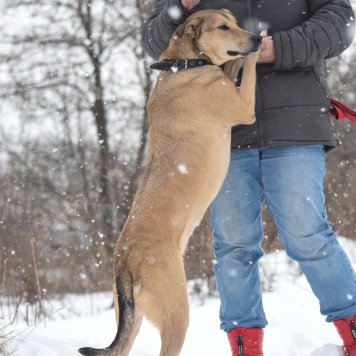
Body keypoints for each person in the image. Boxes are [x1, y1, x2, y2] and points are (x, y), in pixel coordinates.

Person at [142, 0, 356, 354]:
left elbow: (340, 20)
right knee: (234, 245)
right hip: (222, 134)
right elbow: (156, 43)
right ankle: (245, 345)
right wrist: (178, 7)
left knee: (307, 234)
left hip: (296, 122)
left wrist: (279, 49)